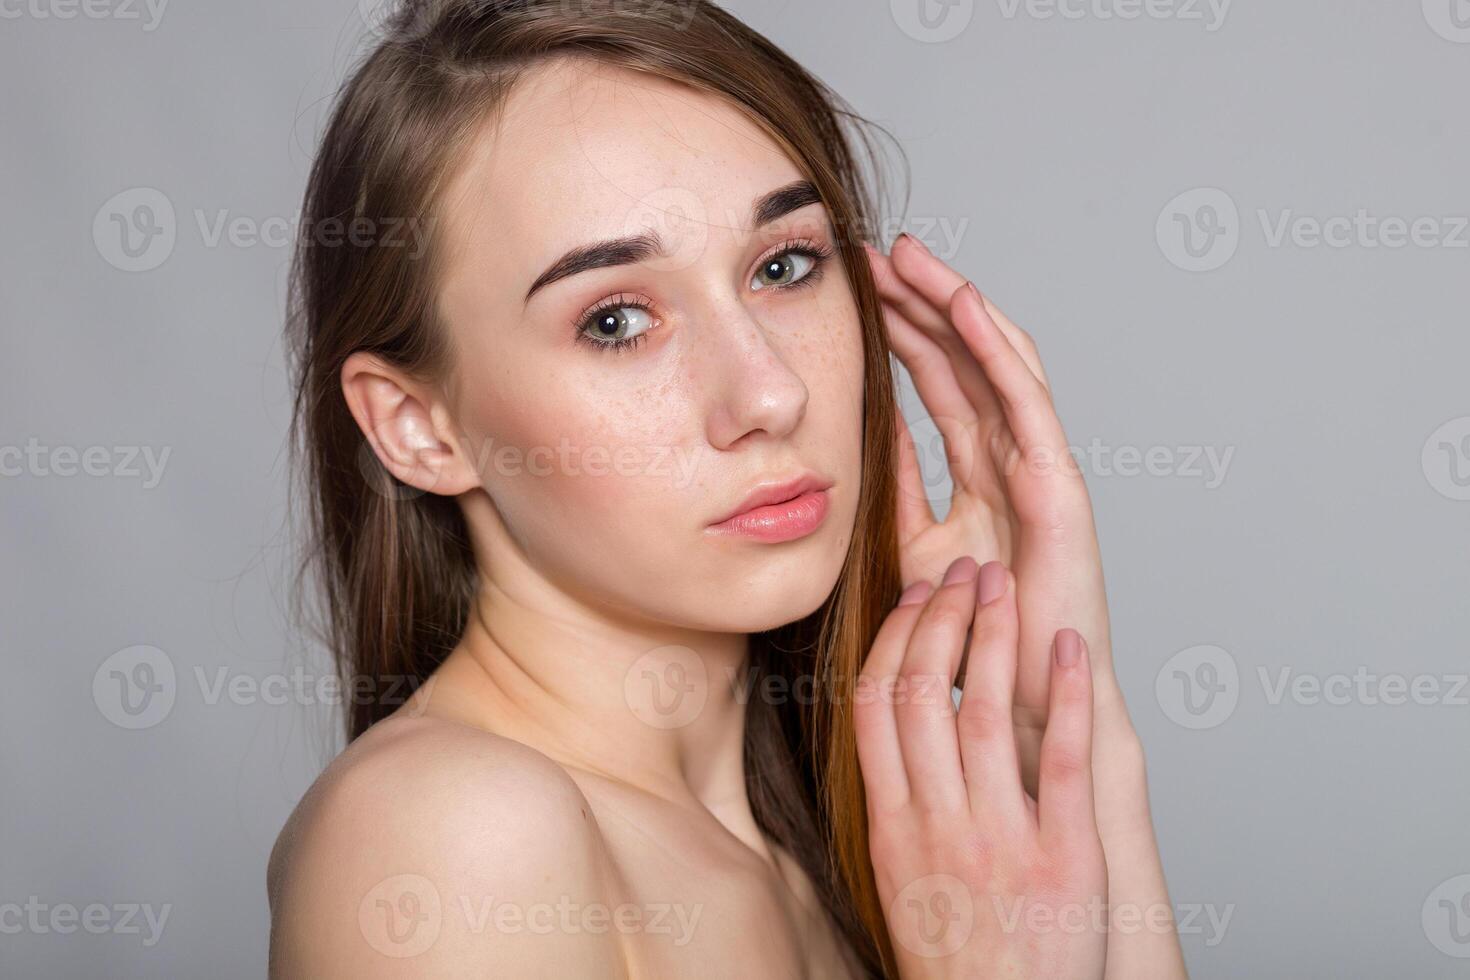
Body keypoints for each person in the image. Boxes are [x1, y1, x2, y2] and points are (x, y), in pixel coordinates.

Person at [267, 2, 1186, 977]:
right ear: (417, 424)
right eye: (616, 319)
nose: (770, 391)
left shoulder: (819, 860)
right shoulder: (451, 832)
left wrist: (1062, 731)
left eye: (783, 265)